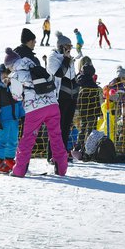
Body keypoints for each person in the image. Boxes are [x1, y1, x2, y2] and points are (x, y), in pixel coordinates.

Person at [4, 47, 67, 177]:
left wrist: (11, 85)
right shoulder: (35, 66)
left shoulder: (16, 75)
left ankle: (19, 170)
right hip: (53, 105)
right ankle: (61, 169)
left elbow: (17, 96)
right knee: (56, 137)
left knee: (27, 139)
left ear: (11, 65)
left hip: (35, 109)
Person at [47, 32, 78, 163]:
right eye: (67, 46)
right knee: (56, 127)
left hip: (70, 97)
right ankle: (52, 154)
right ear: (61, 46)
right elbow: (59, 73)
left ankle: (63, 152)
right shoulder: (53, 57)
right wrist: (65, 59)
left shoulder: (69, 58)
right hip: (58, 98)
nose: (70, 48)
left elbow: (72, 76)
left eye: (71, 46)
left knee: (66, 126)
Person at [0, 66, 25, 173]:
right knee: (2, 140)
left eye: (8, 75)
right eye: (3, 75)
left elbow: (19, 103)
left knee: (13, 141)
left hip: (14, 119)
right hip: (3, 119)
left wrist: (23, 116)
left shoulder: (14, 88)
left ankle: (9, 160)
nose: (6, 77)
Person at [75, 63, 102, 154]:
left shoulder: (79, 82)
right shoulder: (94, 86)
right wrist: (99, 112)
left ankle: (79, 146)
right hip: (92, 111)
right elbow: (97, 101)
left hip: (83, 111)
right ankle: (89, 148)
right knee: (91, 130)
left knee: (83, 128)